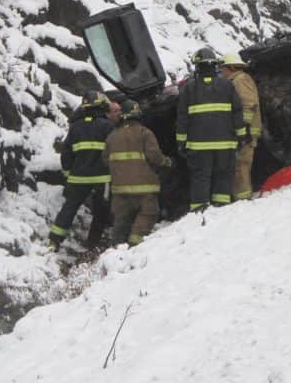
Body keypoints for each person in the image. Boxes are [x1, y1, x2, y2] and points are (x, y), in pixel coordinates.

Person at [176, 47, 245, 211]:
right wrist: (241, 136)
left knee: (201, 176)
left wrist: (181, 142)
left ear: (198, 66)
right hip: (225, 144)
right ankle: (221, 207)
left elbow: (182, 118)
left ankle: (199, 209)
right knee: (223, 174)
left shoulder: (188, 88)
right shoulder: (227, 85)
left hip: (198, 146)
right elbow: (237, 111)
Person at [49, 90, 115, 249]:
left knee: (70, 207)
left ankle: (54, 240)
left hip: (78, 178)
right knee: (101, 211)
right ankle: (93, 244)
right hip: (102, 179)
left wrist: (68, 173)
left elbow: (66, 153)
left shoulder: (75, 127)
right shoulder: (108, 126)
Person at [104, 99, 173, 246]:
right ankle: (134, 244)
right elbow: (154, 156)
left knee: (121, 220)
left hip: (119, 189)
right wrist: (167, 162)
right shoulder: (145, 133)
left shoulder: (112, 136)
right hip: (144, 188)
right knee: (149, 213)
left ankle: (115, 249)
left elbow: (105, 160)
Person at [220, 53, 262, 201]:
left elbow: (248, 104)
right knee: (240, 165)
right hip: (245, 131)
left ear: (231, 68)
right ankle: (241, 196)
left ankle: (243, 199)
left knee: (241, 165)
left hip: (246, 132)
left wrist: (243, 129)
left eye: (223, 69)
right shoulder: (236, 80)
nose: (221, 72)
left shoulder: (240, 80)